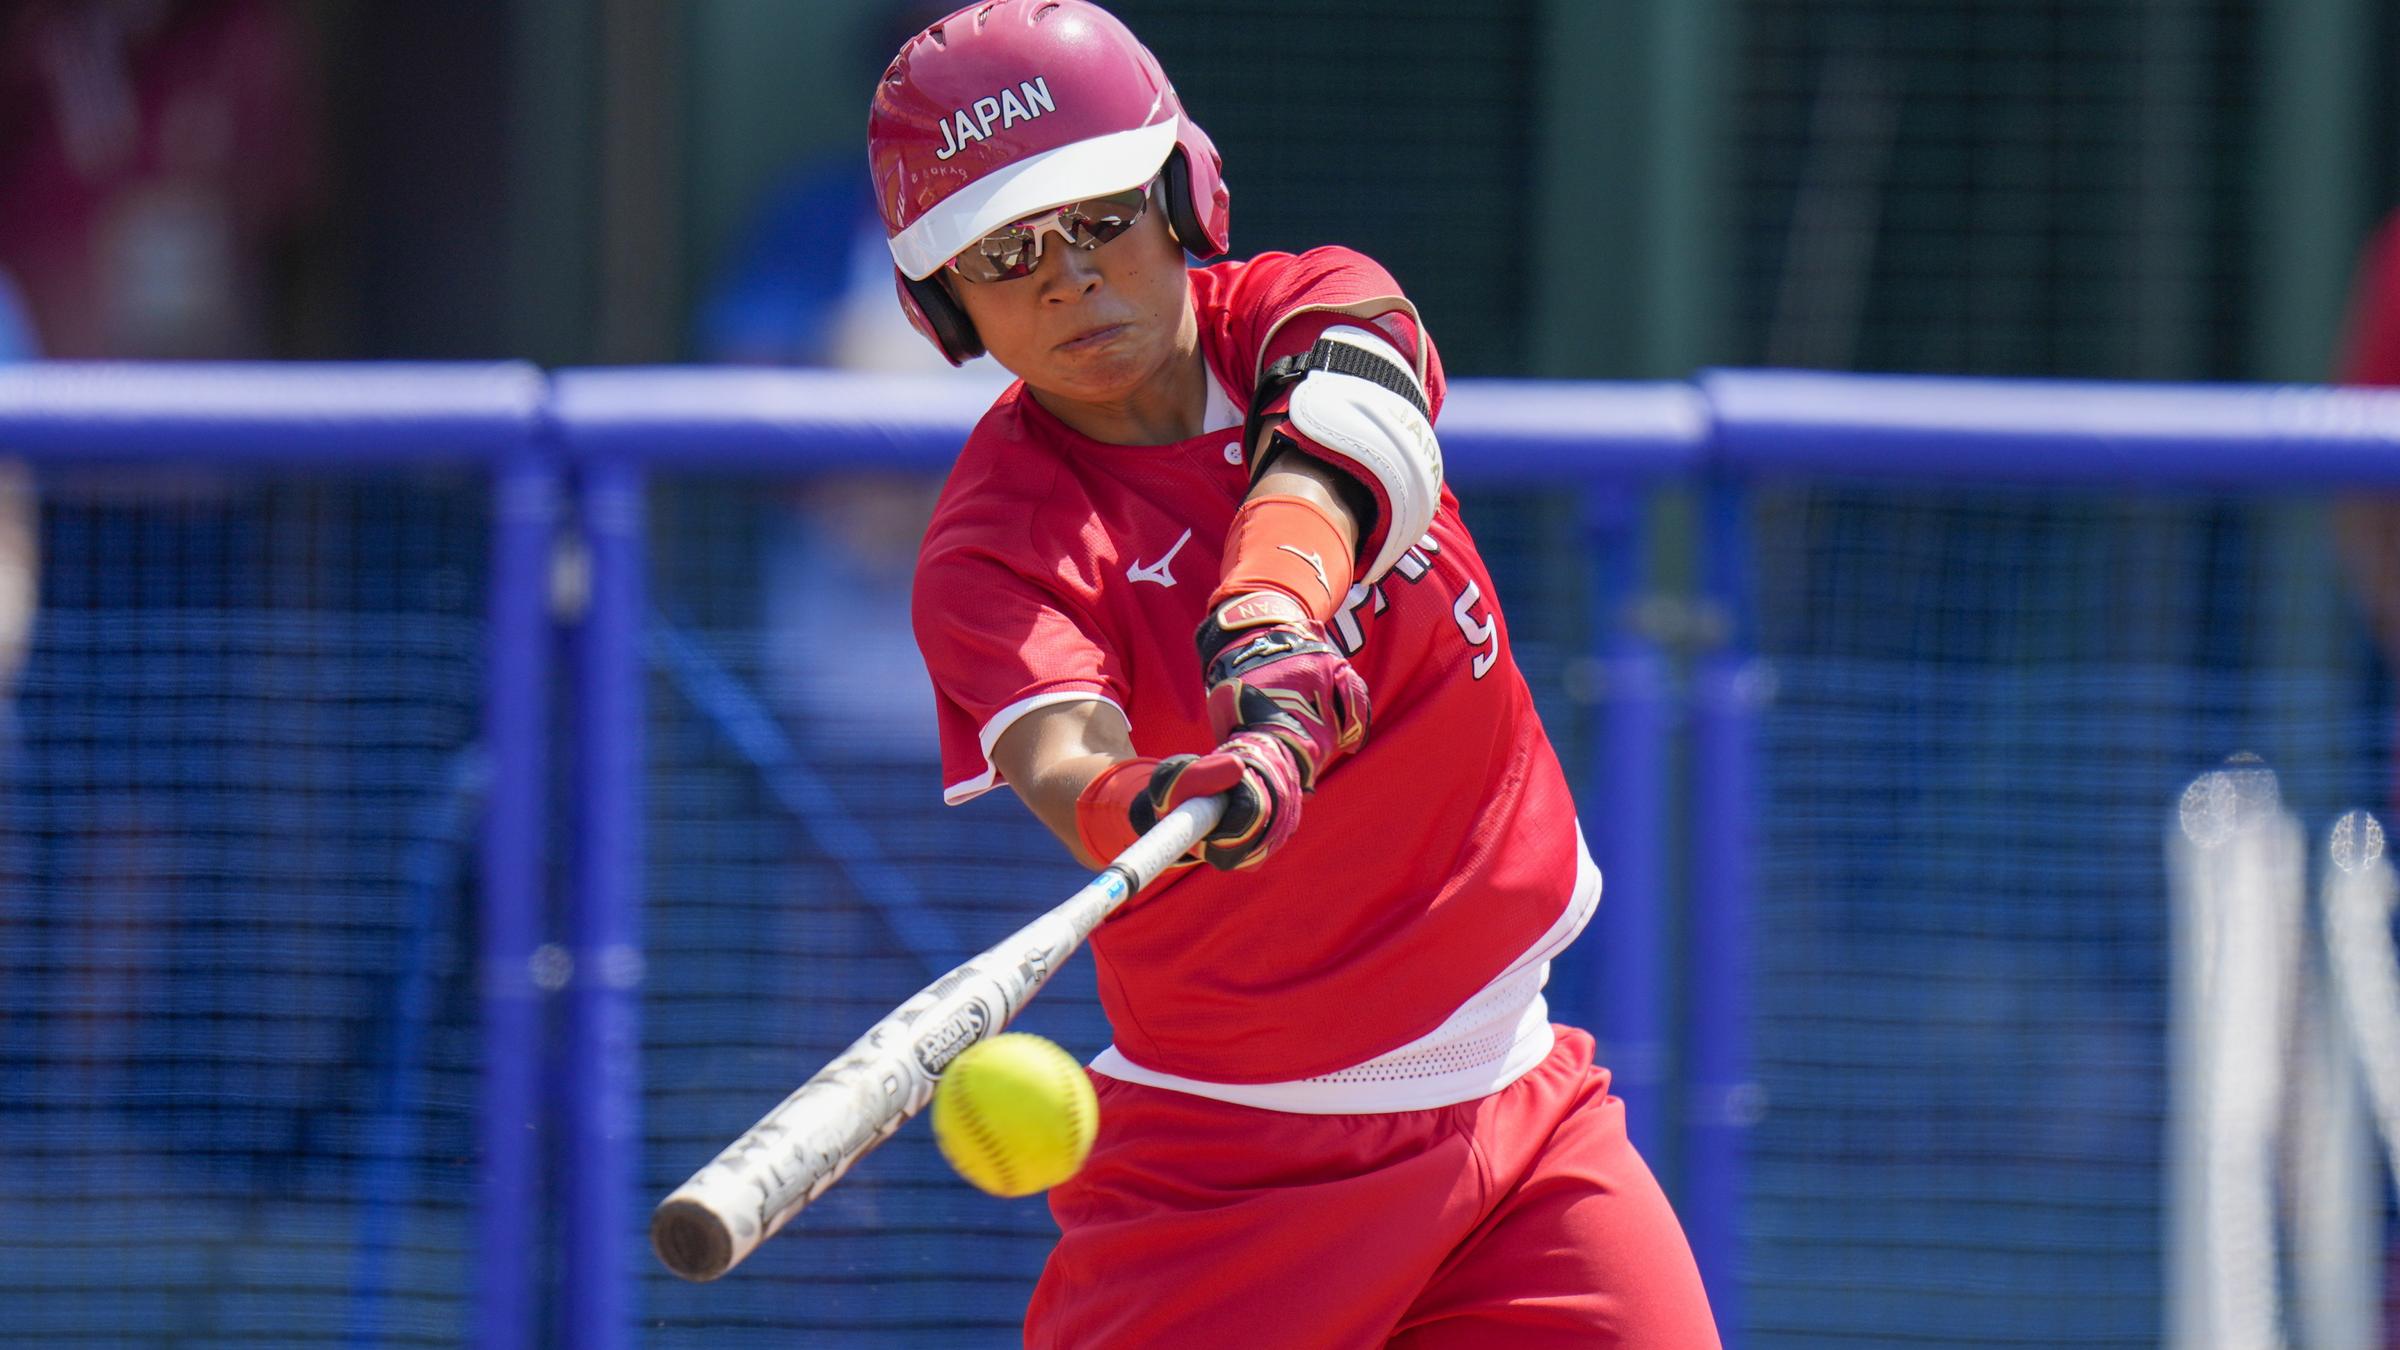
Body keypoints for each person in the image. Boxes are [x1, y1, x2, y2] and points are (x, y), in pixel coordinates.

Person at [870, 3, 1719, 1344]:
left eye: (1100, 219)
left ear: (1181, 196)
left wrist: (1268, 628)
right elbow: (1065, 760)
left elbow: (1344, 438)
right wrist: (1163, 798)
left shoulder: (1304, 301)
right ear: (945, 306)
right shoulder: (994, 543)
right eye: (1005, 254)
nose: (1069, 279)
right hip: (1231, 1180)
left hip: (1522, 1112)